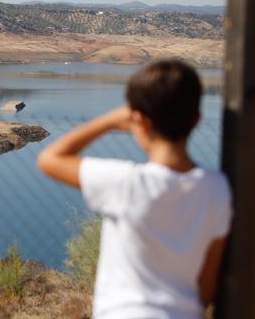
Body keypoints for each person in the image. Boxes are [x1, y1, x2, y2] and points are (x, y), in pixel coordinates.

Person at [37, 60, 232, 319]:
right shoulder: (217, 189)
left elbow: (50, 159)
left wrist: (109, 120)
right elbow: (206, 289)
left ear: (138, 121)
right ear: (196, 120)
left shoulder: (125, 184)